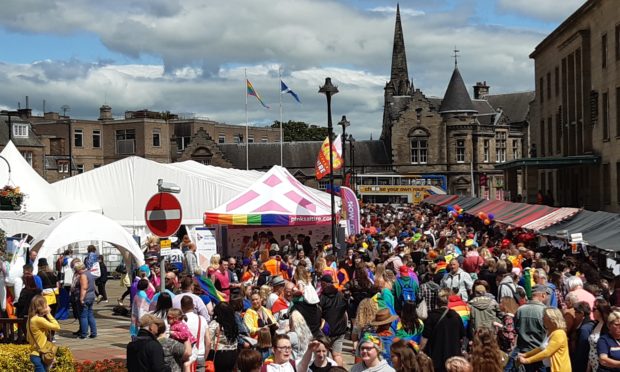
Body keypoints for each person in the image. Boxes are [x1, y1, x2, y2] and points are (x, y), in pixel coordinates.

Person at [420, 288, 465, 372]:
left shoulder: (431, 316)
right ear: (448, 301)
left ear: (437, 301)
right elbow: (462, 338)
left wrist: (420, 351)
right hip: (453, 359)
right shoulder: (456, 316)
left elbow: (425, 338)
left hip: (436, 359)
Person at [518, 307, 571, 372]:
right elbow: (541, 348)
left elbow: (547, 352)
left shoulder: (559, 333)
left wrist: (527, 360)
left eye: (544, 316)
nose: (542, 318)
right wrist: (526, 355)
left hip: (559, 369)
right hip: (549, 368)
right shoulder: (550, 332)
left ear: (552, 319)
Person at [511, 284, 548, 372]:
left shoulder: (520, 310)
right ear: (542, 295)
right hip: (539, 353)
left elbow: (515, 328)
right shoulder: (545, 311)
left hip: (523, 352)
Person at [319, 274, 348, 366]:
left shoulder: (322, 297)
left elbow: (318, 314)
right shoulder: (340, 295)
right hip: (340, 330)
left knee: (323, 354)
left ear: (323, 283)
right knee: (337, 355)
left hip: (326, 330)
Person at [27, 295, 61, 372]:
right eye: (46, 304)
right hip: (40, 355)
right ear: (42, 306)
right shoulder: (38, 320)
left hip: (37, 354)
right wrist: (48, 313)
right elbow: (57, 327)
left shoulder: (30, 318)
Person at [181, 295, 210, 372]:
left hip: (186, 357)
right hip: (200, 355)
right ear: (193, 306)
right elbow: (208, 342)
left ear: (182, 307)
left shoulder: (180, 321)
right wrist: (204, 357)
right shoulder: (202, 319)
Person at [208, 302, 239, 371]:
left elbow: (208, 340)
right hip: (233, 354)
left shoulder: (215, 324)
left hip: (219, 355)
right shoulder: (234, 324)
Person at [588, 298, 612, 372]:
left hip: (603, 366)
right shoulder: (595, 324)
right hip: (593, 364)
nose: (592, 312)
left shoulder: (607, 327)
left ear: (601, 311)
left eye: (594, 309)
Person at [75, 261, 97, 339]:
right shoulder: (90, 273)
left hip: (86, 297)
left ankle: (84, 334)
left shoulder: (83, 275)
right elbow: (93, 285)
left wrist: (81, 299)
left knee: (83, 316)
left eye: (76, 270)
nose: (76, 272)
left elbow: (84, 288)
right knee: (90, 315)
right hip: (91, 296)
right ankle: (94, 333)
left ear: (79, 269)